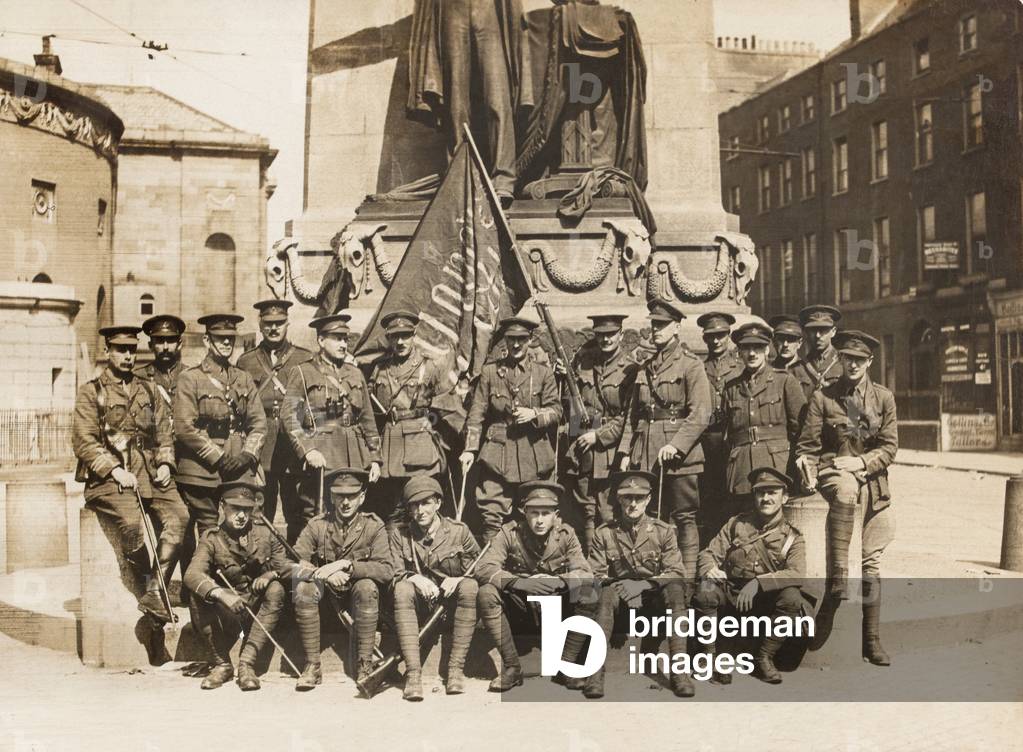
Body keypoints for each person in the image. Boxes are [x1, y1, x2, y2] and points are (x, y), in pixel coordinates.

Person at [72, 325, 189, 623]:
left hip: (150, 474)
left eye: (132, 350)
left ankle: (153, 591)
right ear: (108, 351)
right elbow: (84, 440)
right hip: (109, 481)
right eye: (120, 350)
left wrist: (165, 463)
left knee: (180, 517)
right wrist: (113, 469)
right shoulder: (92, 391)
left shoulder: (148, 389)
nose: (127, 356)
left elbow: (164, 432)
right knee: (132, 522)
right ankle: (149, 584)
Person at [795, 330, 897, 666]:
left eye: (859, 359)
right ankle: (836, 583)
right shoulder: (825, 398)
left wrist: (862, 462)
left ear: (870, 362)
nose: (852, 364)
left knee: (872, 562)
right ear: (840, 359)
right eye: (847, 358)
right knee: (846, 487)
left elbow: (889, 447)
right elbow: (807, 447)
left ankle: (872, 639)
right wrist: (806, 466)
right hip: (835, 473)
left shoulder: (883, 398)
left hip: (873, 485)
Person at [621, 300, 712, 578]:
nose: (656, 329)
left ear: (676, 327)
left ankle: (684, 581)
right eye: (654, 324)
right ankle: (654, 577)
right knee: (653, 517)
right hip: (646, 450)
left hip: (680, 456)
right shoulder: (645, 367)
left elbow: (701, 413)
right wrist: (626, 451)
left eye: (662, 325)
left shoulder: (691, 365)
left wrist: (676, 445)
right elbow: (632, 415)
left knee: (684, 517)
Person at [581, 470, 692, 699]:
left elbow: (676, 571)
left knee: (675, 590)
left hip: (654, 600)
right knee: (605, 594)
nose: (633, 504)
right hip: (620, 601)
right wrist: (623, 587)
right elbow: (596, 574)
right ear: (619, 499)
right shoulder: (605, 533)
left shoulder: (663, 532)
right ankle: (595, 672)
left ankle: (679, 672)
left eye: (639, 498)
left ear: (648, 499)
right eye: (628, 498)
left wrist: (642, 586)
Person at [173, 313, 266, 579]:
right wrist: (218, 457)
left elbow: (258, 422)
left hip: (238, 467)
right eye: (220, 338)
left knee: (243, 529)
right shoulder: (190, 379)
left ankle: (240, 586)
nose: (226, 343)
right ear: (207, 340)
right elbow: (184, 427)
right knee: (209, 534)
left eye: (230, 339)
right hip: (202, 472)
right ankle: (204, 595)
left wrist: (248, 454)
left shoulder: (243, 378)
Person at [694, 466, 806, 685]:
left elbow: (797, 573)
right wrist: (709, 568)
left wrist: (758, 583)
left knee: (792, 597)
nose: (765, 498)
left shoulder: (793, 537)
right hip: (731, 592)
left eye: (772, 493)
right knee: (705, 591)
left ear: (784, 498)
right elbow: (708, 552)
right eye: (760, 493)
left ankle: (764, 657)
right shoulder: (736, 524)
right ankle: (709, 657)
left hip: (763, 598)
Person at [475, 481, 591, 692]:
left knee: (589, 592)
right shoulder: (509, 533)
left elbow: (584, 573)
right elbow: (485, 568)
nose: (539, 520)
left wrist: (557, 582)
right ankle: (512, 668)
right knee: (486, 593)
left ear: (555, 514)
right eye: (534, 513)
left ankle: (566, 667)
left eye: (545, 513)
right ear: (523, 512)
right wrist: (521, 583)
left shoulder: (566, 534)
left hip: (554, 605)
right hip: (520, 606)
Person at [286, 468, 394, 691]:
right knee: (303, 587)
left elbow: (386, 570)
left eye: (352, 496)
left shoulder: (373, 526)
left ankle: (365, 665)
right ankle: (312, 665)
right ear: (332, 497)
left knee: (366, 586)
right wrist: (322, 574)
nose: (346, 502)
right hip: (324, 605)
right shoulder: (318, 525)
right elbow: (291, 564)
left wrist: (348, 566)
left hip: (360, 605)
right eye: (340, 496)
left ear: (362, 497)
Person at [282, 313, 381, 543]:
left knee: (352, 514)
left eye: (345, 339)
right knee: (317, 516)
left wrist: (375, 457)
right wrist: (307, 450)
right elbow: (290, 415)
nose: (344, 344)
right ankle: (314, 570)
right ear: (321, 341)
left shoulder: (354, 373)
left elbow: (367, 419)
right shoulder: (303, 372)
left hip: (353, 455)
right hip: (321, 456)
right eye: (337, 338)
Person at [182, 477, 289, 690]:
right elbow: (192, 574)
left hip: (259, 613)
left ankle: (247, 664)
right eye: (235, 508)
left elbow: (286, 566)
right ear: (222, 506)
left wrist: (272, 574)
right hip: (227, 613)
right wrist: (221, 594)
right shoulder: (211, 538)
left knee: (276, 589)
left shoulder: (265, 534)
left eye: (247, 510)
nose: (241, 515)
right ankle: (222, 663)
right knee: (198, 592)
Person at [461, 317, 563, 540]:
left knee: (536, 509)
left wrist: (535, 414)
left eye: (521, 339)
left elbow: (557, 411)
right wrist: (470, 448)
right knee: (491, 512)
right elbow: (477, 413)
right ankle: (493, 567)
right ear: (505, 341)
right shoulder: (489, 373)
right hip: (497, 453)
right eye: (511, 339)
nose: (516, 345)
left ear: (530, 340)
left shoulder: (543, 373)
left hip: (534, 453)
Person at [387, 476, 481, 700]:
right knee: (402, 588)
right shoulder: (400, 534)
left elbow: (480, 568)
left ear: (438, 503)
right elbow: (392, 572)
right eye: (414, 505)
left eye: (426, 503)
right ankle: (413, 675)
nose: (420, 510)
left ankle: (456, 671)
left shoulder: (459, 531)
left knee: (470, 586)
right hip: (418, 607)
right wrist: (414, 578)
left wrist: (458, 579)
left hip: (451, 607)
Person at [236, 300, 313, 531]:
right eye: (268, 323)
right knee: (261, 511)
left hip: (293, 445)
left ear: (287, 323)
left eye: (279, 323)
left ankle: (294, 563)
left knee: (296, 510)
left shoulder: (304, 357)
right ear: (260, 325)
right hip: (263, 445)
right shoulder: (246, 361)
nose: (274, 328)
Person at [563, 313, 636, 554]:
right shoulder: (583, 363)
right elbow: (572, 405)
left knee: (608, 511)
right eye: (601, 335)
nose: (605, 339)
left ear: (621, 335)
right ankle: (588, 566)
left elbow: (628, 415)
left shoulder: (630, 368)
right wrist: (562, 377)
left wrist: (598, 435)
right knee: (586, 510)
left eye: (611, 334)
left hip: (609, 450)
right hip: (584, 448)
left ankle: (609, 564)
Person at [719, 323, 805, 524]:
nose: (752, 353)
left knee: (774, 522)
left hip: (774, 464)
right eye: (746, 348)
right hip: (740, 467)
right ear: (739, 352)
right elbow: (727, 433)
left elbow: (800, 429)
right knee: (742, 523)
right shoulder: (731, 387)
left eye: (757, 348)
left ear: (767, 350)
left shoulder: (784, 381)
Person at [367, 310, 447, 524]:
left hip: (419, 446)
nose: (400, 341)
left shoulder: (429, 366)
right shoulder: (379, 368)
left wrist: (434, 429)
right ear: (389, 338)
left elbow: (445, 407)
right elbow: (369, 408)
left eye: (405, 335)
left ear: (414, 335)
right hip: (390, 445)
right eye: (395, 336)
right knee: (393, 509)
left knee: (421, 501)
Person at [696, 311, 743, 545]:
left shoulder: (740, 366)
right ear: (704, 338)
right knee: (708, 498)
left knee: (732, 498)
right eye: (711, 336)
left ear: (729, 336)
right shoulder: (698, 368)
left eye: (721, 335)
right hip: (706, 441)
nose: (716, 341)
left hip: (731, 439)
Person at [791, 305, 843, 398]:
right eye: (813, 330)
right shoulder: (797, 369)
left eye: (823, 330)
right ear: (806, 333)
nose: (818, 335)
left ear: (833, 331)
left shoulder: (844, 362)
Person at [134, 314, 187, 406]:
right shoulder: (139, 377)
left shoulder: (190, 375)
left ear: (179, 344)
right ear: (150, 345)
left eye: (170, 341)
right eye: (160, 341)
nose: (165, 347)